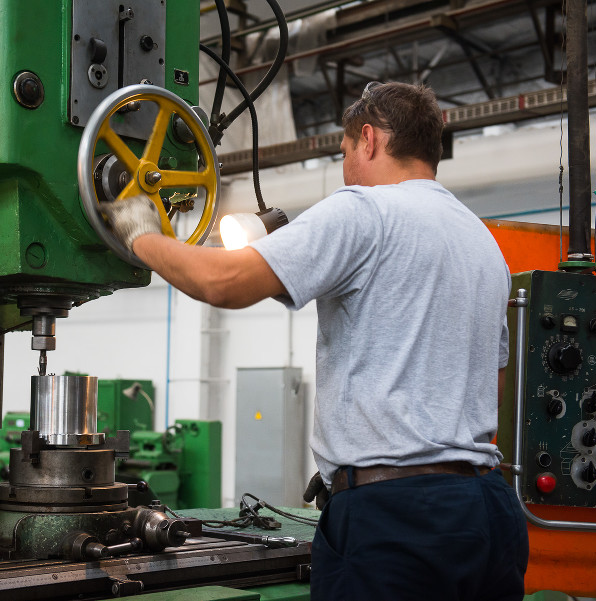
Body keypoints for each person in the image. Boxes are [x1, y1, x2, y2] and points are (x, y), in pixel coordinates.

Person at [103, 81, 529, 600]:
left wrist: (142, 234)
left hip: (398, 521)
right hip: (490, 512)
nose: (346, 165)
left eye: (344, 151)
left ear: (369, 139)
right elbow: (494, 385)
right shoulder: (482, 243)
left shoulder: (364, 210)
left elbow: (222, 282)